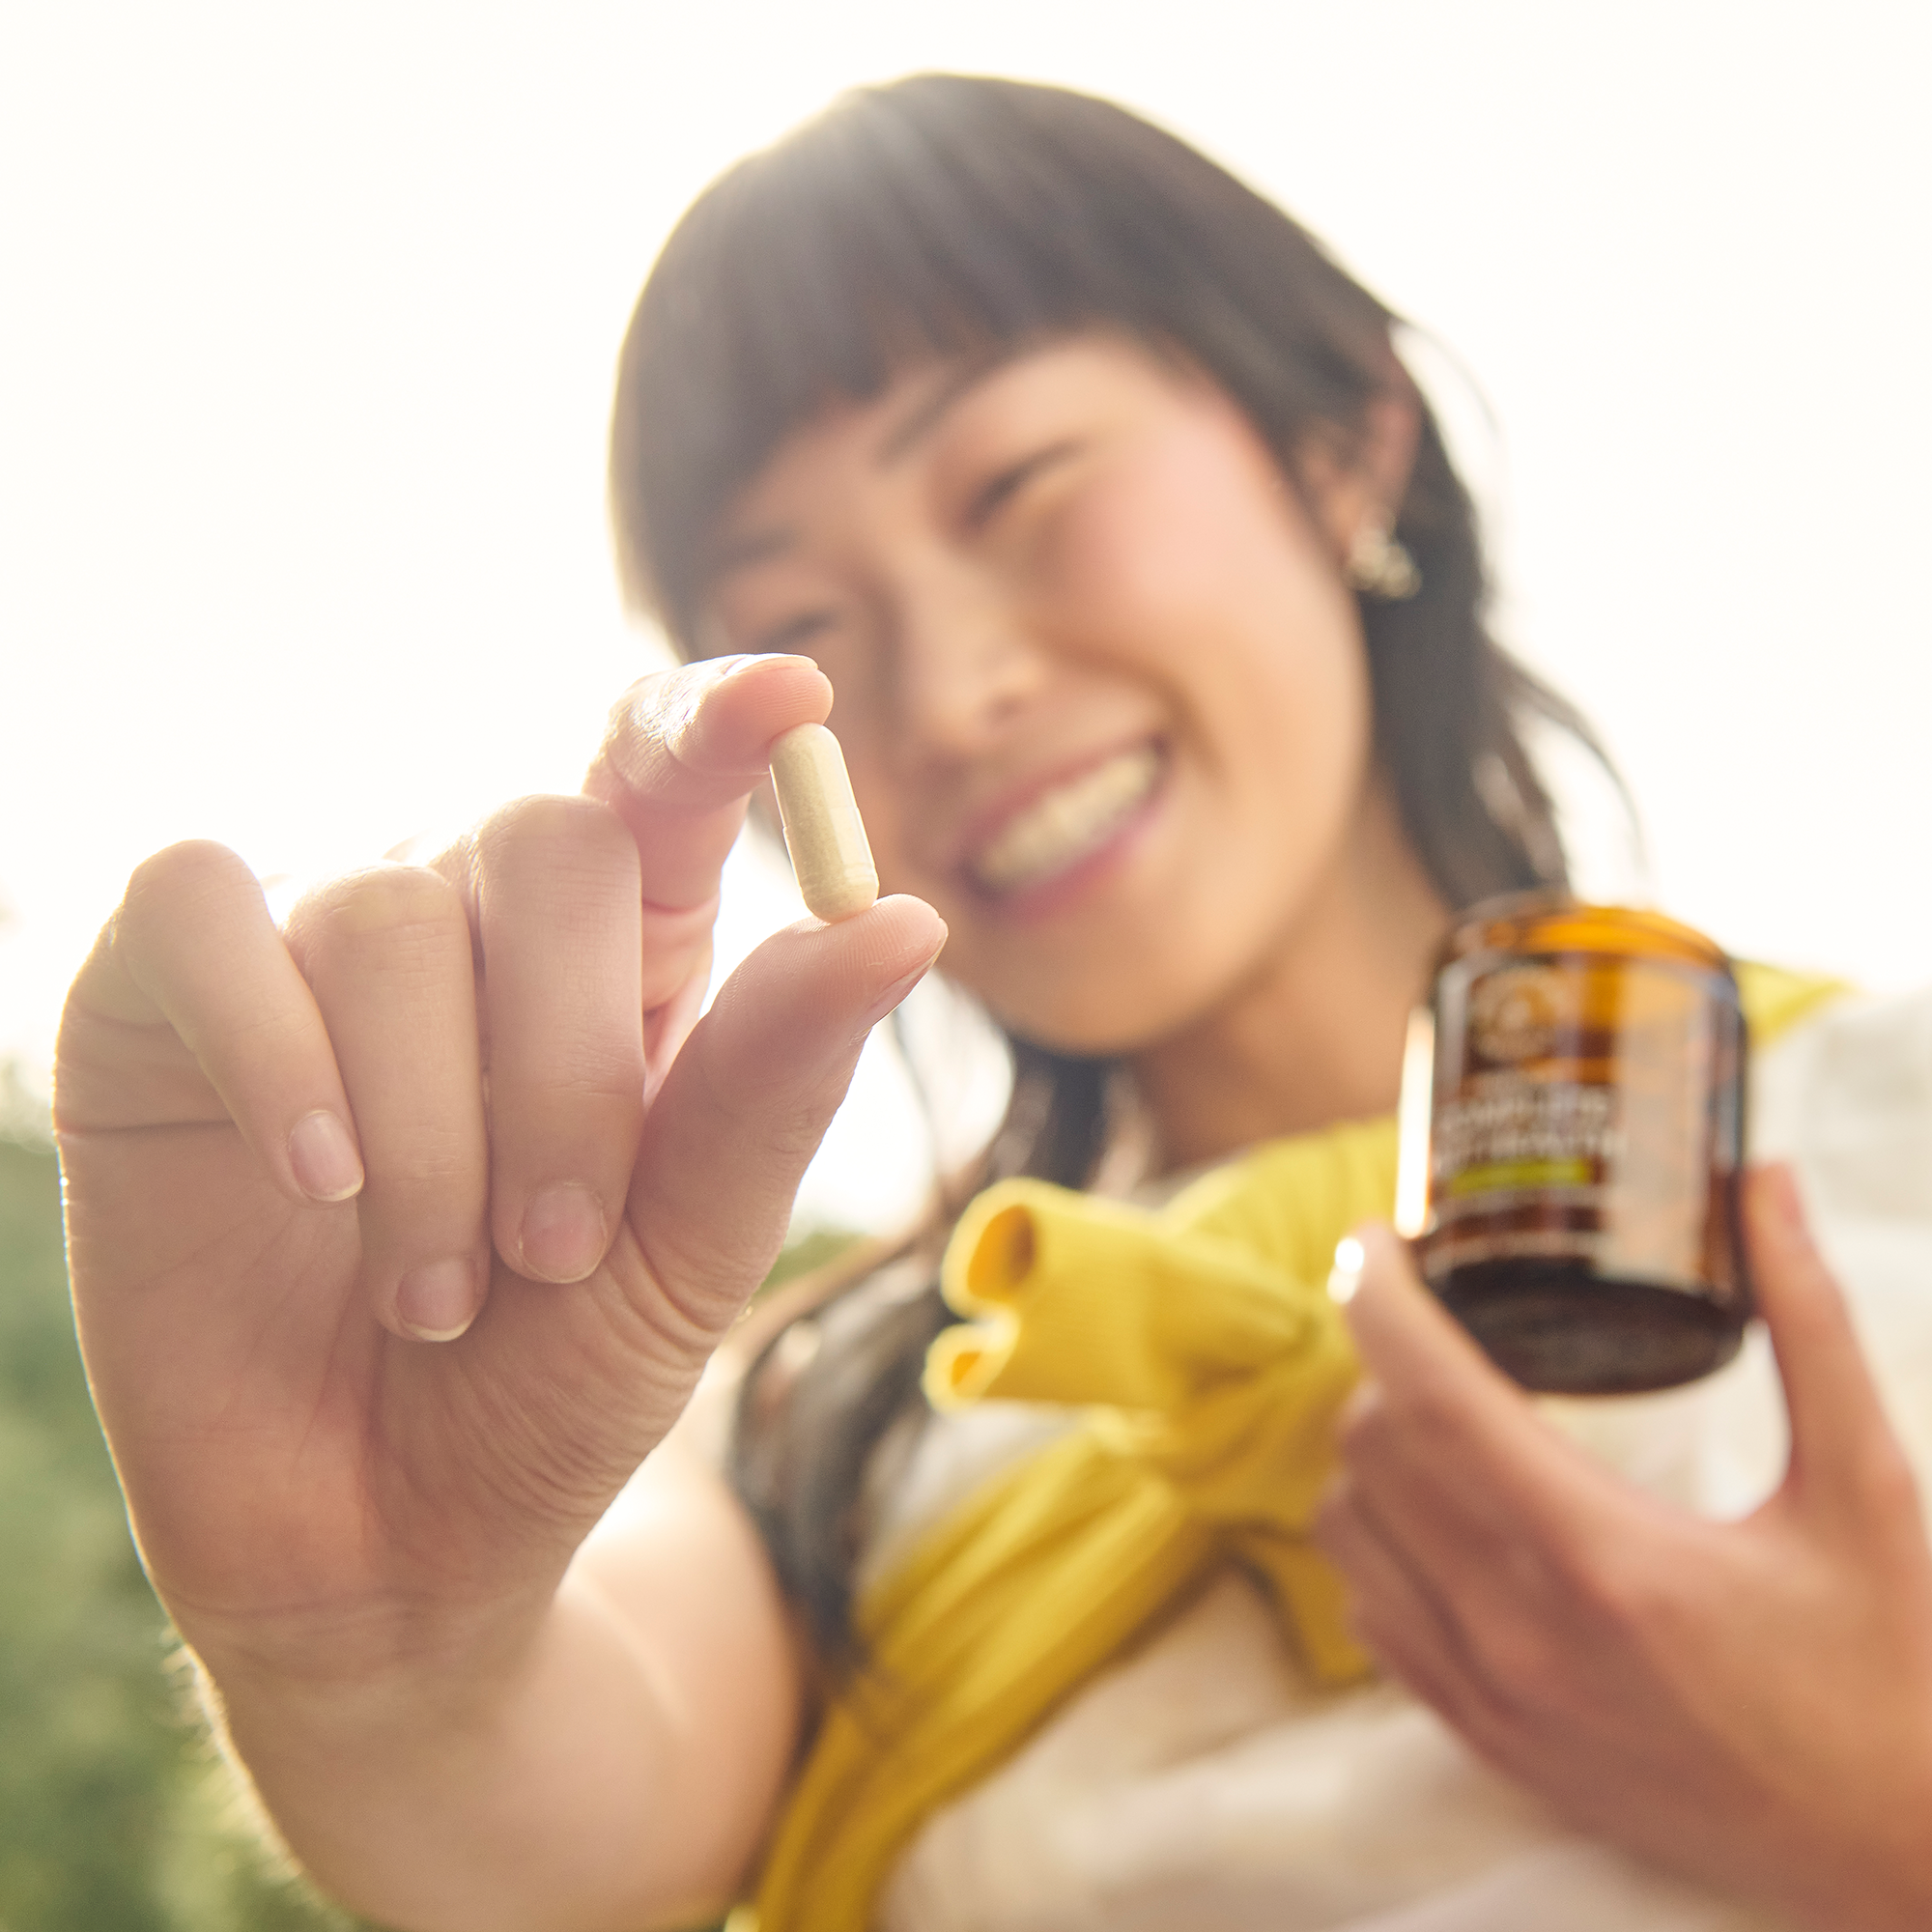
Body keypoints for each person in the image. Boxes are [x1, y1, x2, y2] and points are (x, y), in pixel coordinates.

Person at [53, 73, 1932, 1932]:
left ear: (1341, 440)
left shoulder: (1888, 1116)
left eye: (1018, 485)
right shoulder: (820, 1412)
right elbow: (540, 1789)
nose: (948, 698)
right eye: (806, 627)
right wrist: (368, 1655)